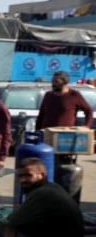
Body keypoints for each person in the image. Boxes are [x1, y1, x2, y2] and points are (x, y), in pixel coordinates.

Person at [35, 70, 94, 201]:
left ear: (65, 82)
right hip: (47, 138)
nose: (53, 84)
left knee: (65, 172)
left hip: (65, 141)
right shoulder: (48, 95)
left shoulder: (74, 95)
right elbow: (41, 115)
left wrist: (86, 127)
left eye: (56, 82)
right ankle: (46, 196)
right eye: (53, 81)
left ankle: (62, 198)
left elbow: (89, 111)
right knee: (46, 170)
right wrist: (37, 133)